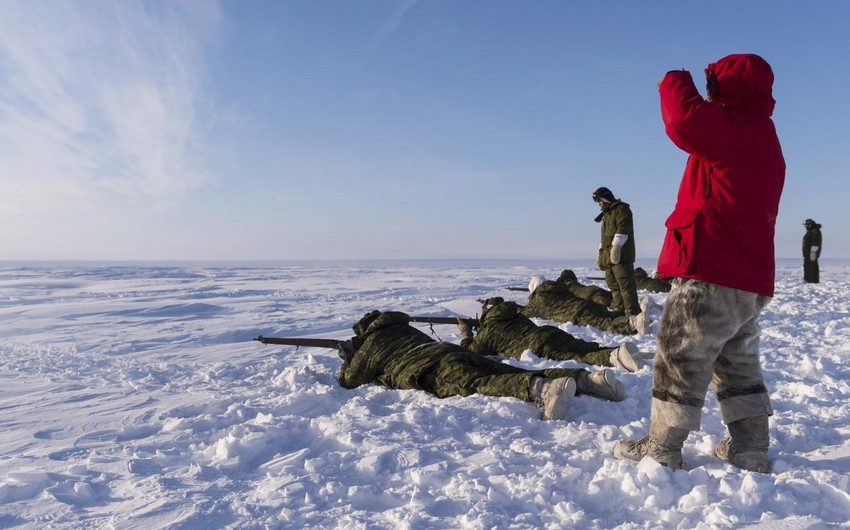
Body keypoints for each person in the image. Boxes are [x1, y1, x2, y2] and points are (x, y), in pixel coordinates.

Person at [615, 54, 785, 473]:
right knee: (736, 359)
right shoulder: (761, 132)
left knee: (679, 353)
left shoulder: (733, 125)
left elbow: (682, 121)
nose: (708, 92)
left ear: (727, 87)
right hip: (747, 277)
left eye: (713, 84)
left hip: (711, 267)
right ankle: (750, 449)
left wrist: (673, 78)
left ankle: (661, 448)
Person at [339, 310, 626, 421]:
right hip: (447, 351)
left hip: (428, 369)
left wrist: (349, 357)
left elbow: (350, 380)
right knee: (509, 370)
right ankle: (588, 380)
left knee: (478, 384)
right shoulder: (402, 329)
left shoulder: (371, 343)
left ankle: (543, 388)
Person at [457, 297, 646, 372]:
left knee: (581, 357)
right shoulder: (514, 315)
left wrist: (466, 335)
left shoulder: (489, 331)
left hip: (539, 347)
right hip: (548, 333)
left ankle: (615, 357)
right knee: (587, 347)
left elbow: (472, 353)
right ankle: (620, 351)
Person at [522, 276, 652, 335]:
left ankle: (634, 323)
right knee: (608, 315)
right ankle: (639, 318)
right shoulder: (558, 288)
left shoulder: (539, 297)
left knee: (604, 323)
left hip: (576, 314)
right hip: (585, 304)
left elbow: (526, 313)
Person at [593, 186, 642, 316]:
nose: (598, 203)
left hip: (622, 255)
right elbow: (605, 238)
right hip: (609, 256)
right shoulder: (607, 214)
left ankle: (633, 312)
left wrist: (617, 246)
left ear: (605, 198)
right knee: (612, 283)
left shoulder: (621, 209)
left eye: (599, 200)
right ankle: (619, 308)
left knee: (625, 283)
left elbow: (623, 228)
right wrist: (601, 255)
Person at [802, 219, 822, 283]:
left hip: (812, 253)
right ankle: (808, 279)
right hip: (808, 253)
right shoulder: (811, 231)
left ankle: (812, 280)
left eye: (807, 225)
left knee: (812, 266)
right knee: (808, 266)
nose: (806, 226)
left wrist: (813, 252)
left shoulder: (815, 231)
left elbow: (816, 241)